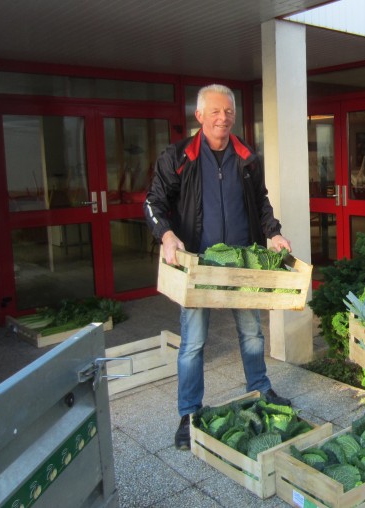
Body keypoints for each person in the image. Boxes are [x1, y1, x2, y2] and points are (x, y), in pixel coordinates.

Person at [144, 84, 293, 450]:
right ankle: (189, 413)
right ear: (198, 116)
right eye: (214, 111)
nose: (222, 118)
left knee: (253, 334)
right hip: (199, 264)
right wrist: (165, 236)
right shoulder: (178, 157)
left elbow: (260, 202)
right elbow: (153, 203)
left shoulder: (246, 157)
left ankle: (260, 390)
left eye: (228, 111)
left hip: (241, 261)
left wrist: (273, 233)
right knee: (193, 343)